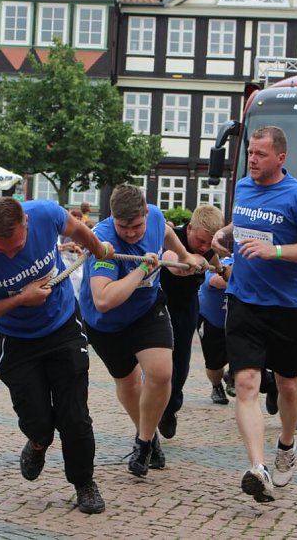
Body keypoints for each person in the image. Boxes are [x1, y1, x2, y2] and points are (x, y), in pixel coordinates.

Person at [0, 196, 112, 514]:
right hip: (18, 338)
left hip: (62, 324)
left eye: (16, 247)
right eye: (2, 250)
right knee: (37, 417)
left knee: (74, 414)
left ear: (26, 222)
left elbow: (78, 229)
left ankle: (84, 482)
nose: (10, 253)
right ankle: (38, 441)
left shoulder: (45, 214)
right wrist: (20, 300)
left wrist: (96, 247)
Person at [211, 126, 297, 503]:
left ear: (280, 158)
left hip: (286, 307)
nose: (253, 159)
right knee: (245, 385)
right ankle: (257, 468)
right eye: (250, 152)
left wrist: (275, 252)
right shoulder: (245, 187)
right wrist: (226, 233)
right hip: (244, 301)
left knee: (288, 386)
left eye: (261, 154)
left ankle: (287, 444)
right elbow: (248, 221)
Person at [79, 184, 200, 478]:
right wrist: (142, 270)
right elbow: (104, 299)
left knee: (161, 374)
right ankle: (148, 435)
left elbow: (167, 234)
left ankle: (143, 443)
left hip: (147, 310)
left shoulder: (156, 216)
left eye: (136, 226)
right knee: (128, 382)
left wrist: (182, 256)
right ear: (113, 220)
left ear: (146, 212)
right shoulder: (103, 241)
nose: (131, 233)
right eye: (124, 227)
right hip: (106, 324)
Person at [157, 204, 224, 438]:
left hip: (187, 308)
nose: (204, 246)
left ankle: (170, 408)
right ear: (190, 228)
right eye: (201, 240)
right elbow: (172, 263)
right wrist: (195, 258)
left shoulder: (210, 248)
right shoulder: (172, 237)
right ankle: (153, 412)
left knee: (181, 363)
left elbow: (219, 265)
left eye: (209, 243)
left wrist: (220, 268)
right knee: (159, 364)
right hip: (161, 306)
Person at [197, 257, 233, 404]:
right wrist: (243, 282)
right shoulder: (223, 263)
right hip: (211, 319)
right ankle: (216, 386)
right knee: (214, 363)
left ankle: (234, 376)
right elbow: (213, 281)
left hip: (236, 322)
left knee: (243, 353)